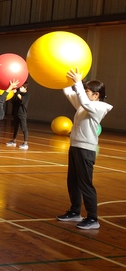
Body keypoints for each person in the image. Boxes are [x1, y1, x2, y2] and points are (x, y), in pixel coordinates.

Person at [56, 68, 112, 230]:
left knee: (85, 184)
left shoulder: (100, 107)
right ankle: (75, 211)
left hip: (86, 150)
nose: (84, 92)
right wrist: (63, 79)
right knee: (72, 181)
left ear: (96, 94)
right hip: (75, 146)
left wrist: (78, 82)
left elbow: (85, 102)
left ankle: (93, 218)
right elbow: (69, 92)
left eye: (87, 90)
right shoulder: (84, 105)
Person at [6, 82, 31, 149]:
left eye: (21, 87)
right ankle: (13, 141)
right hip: (15, 113)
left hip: (22, 114)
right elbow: (12, 100)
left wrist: (17, 92)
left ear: (25, 88)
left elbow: (22, 99)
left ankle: (25, 143)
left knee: (24, 128)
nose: (20, 88)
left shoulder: (27, 95)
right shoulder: (18, 94)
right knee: (15, 127)